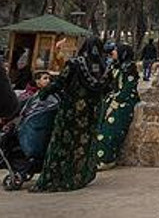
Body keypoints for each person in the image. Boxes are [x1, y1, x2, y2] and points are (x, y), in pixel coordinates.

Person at [32, 37, 112, 192]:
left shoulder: (75, 64)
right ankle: (79, 176)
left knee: (64, 144)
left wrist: (43, 93)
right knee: (84, 145)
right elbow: (109, 88)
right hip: (91, 114)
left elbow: (60, 82)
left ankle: (57, 178)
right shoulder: (104, 68)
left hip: (71, 112)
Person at [96, 43, 141, 169]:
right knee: (100, 125)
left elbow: (129, 86)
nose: (113, 52)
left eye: (116, 50)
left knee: (111, 128)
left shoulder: (130, 67)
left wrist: (118, 99)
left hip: (125, 100)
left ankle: (107, 158)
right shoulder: (114, 66)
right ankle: (98, 157)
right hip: (112, 98)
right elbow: (107, 82)